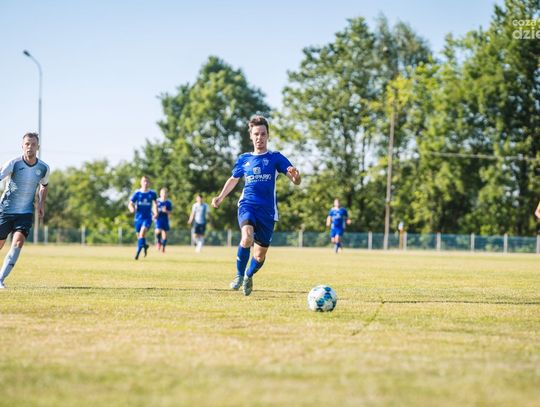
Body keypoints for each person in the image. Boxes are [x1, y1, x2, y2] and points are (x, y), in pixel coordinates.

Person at [212, 115, 301, 296]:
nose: (259, 137)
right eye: (256, 134)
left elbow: (294, 179)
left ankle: (248, 275)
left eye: (263, 134)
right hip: (247, 205)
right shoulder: (244, 159)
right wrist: (220, 197)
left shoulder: (275, 158)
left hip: (268, 211)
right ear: (251, 136)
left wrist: (296, 177)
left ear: (268, 136)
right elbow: (234, 179)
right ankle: (238, 276)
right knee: (246, 237)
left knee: (259, 256)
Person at [0, 132, 50, 289]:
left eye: (33, 144)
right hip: (5, 210)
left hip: (25, 213)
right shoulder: (13, 163)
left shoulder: (43, 168)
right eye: (27, 144)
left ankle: (0, 280)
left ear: (38, 147)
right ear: (22, 146)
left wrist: (41, 203)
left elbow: (44, 185)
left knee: (18, 242)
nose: (30, 147)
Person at [128, 176, 158, 260]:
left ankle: (137, 255)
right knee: (140, 237)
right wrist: (131, 209)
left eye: (147, 181)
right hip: (138, 218)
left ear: (149, 183)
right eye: (144, 181)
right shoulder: (137, 193)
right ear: (141, 182)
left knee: (142, 234)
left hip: (148, 217)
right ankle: (145, 246)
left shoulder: (152, 193)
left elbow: (155, 204)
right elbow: (130, 203)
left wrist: (156, 213)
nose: (145, 183)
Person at [154, 187, 172, 253]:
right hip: (158, 219)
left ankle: (163, 248)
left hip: (165, 219)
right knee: (157, 231)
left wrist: (166, 211)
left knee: (165, 235)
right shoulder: (157, 201)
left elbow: (170, 212)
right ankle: (159, 242)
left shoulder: (168, 202)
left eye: (165, 193)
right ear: (160, 194)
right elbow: (153, 209)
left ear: (167, 194)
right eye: (162, 193)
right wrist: (154, 215)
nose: (164, 194)